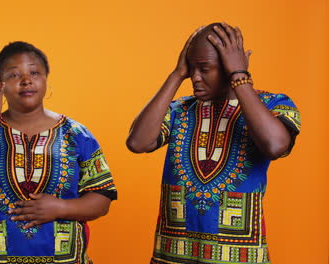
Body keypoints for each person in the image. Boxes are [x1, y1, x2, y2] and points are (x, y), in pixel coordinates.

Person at [126, 23, 300, 264]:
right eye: (191, 69)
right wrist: (176, 75)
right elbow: (137, 142)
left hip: (238, 257)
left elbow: (275, 145)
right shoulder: (181, 110)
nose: (195, 77)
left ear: (230, 66)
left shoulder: (273, 105)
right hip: (173, 256)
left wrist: (240, 77)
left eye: (204, 68)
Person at [0, 41, 117, 264]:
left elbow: (102, 199)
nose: (26, 80)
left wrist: (60, 207)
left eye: (35, 72)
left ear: (46, 79)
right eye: (14, 75)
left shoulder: (76, 134)